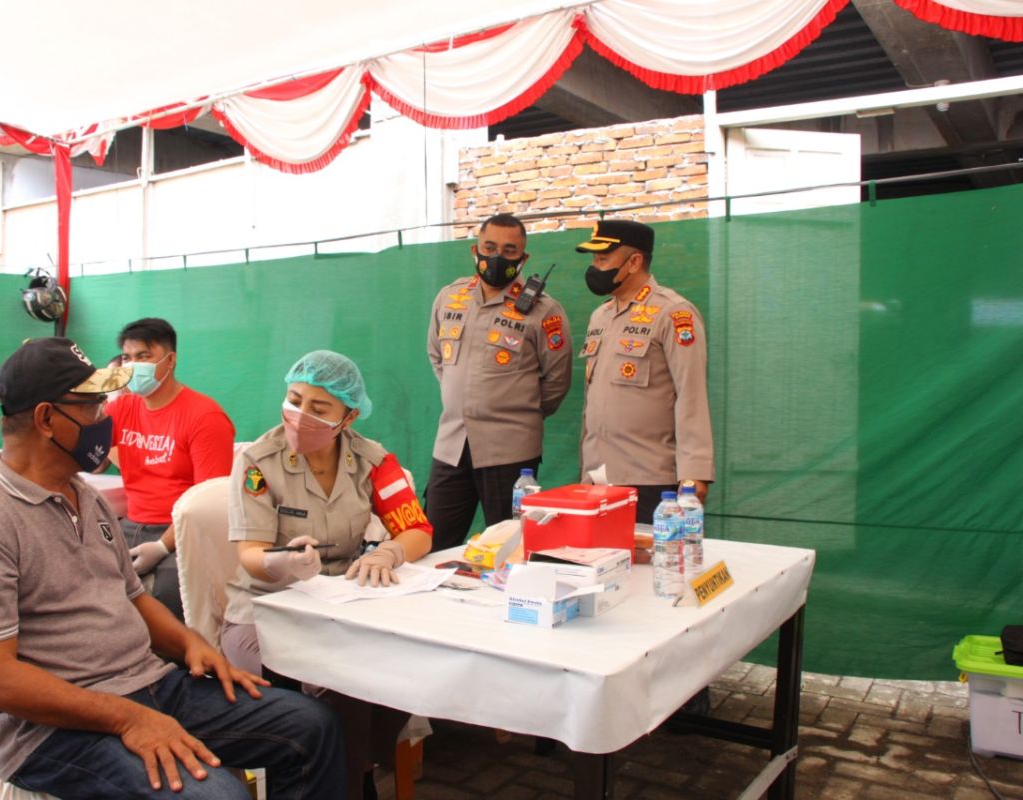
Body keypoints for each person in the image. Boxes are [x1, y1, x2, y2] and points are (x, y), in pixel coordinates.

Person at [0, 337, 344, 800]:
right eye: (93, 407)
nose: (106, 417)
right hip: (53, 731)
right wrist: (127, 717)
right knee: (217, 796)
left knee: (311, 726)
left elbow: (131, 596)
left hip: (150, 685)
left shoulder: (83, 495)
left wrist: (191, 645)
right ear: (46, 419)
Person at [223, 350, 432, 800]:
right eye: (294, 399)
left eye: (319, 409)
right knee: (342, 679)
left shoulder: (374, 461)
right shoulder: (258, 461)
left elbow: (417, 529)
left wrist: (389, 554)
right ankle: (347, 781)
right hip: (264, 609)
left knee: (395, 666)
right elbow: (250, 554)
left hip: (343, 603)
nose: (300, 415)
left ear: (348, 416)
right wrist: (283, 563)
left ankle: (350, 775)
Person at [425, 213, 572, 551]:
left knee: (511, 549)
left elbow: (556, 380)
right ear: (475, 249)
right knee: (433, 544)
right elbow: (437, 357)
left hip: (510, 453)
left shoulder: (544, 310)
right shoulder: (450, 297)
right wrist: (462, 400)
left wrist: (516, 413)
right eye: (489, 247)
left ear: (523, 258)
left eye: (509, 251)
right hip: (451, 444)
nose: (496, 258)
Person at [577, 219, 714, 524]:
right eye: (594, 259)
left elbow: (691, 395)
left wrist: (694, 473)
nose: (594, 267)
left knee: (647, 569)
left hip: (650, 481)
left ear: (634, 262)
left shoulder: (673, 313)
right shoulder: (600, 315)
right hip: (598, 477)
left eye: (603, 259)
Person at [108, 318, 235, 621]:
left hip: (182, 531)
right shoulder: (120, 408)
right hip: (129, 525)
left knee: (169, 594)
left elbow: (208, 504)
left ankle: (176, 665)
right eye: (127, 358)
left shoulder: (205, 416)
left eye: (143, 357)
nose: (133, 365)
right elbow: (87, 459)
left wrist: (163, 546)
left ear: (170, 360)